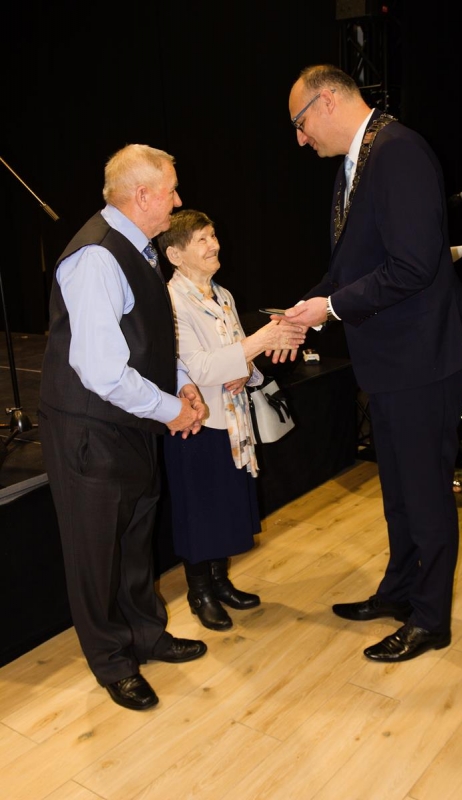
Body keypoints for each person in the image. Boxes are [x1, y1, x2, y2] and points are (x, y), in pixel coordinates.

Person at [283, 65, 462, 662]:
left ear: (326, 102)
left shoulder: (397, 151)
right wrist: (305, 310)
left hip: (423, 358)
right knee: (399, 491)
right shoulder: (359, 159)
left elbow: (413, 266)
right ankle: (400, 591)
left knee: (424, 493)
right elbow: (350, 266)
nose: (300, 139)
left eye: (300, 123)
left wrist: (330, 308)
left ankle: (430, 619)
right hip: (394, 360)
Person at [38, 144, 209, 711]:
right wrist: (170, 409)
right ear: (142, 195)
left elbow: (148, 337)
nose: (178, 201)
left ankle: (146, 635)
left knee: (135, 539)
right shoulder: (96, 257)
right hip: (91, 430)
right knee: (96, 554)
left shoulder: (138, 248)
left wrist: (181, 382)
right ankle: (112, 660)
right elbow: (101, 369)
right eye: (172, 190)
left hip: (131, 421)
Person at [157, 209, 305, 631]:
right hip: (196, 421)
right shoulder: (170, 301)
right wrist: (258, 343)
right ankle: (199, 591)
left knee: (224, 505)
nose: (214, 245)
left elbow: (241, 355)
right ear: (175, 255)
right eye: (202, 240)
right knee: (199, 509)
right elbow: (198, 368)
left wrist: (247, 367)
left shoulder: (223, 295)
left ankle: (220, 582)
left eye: (213, 235)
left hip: (233, 419)